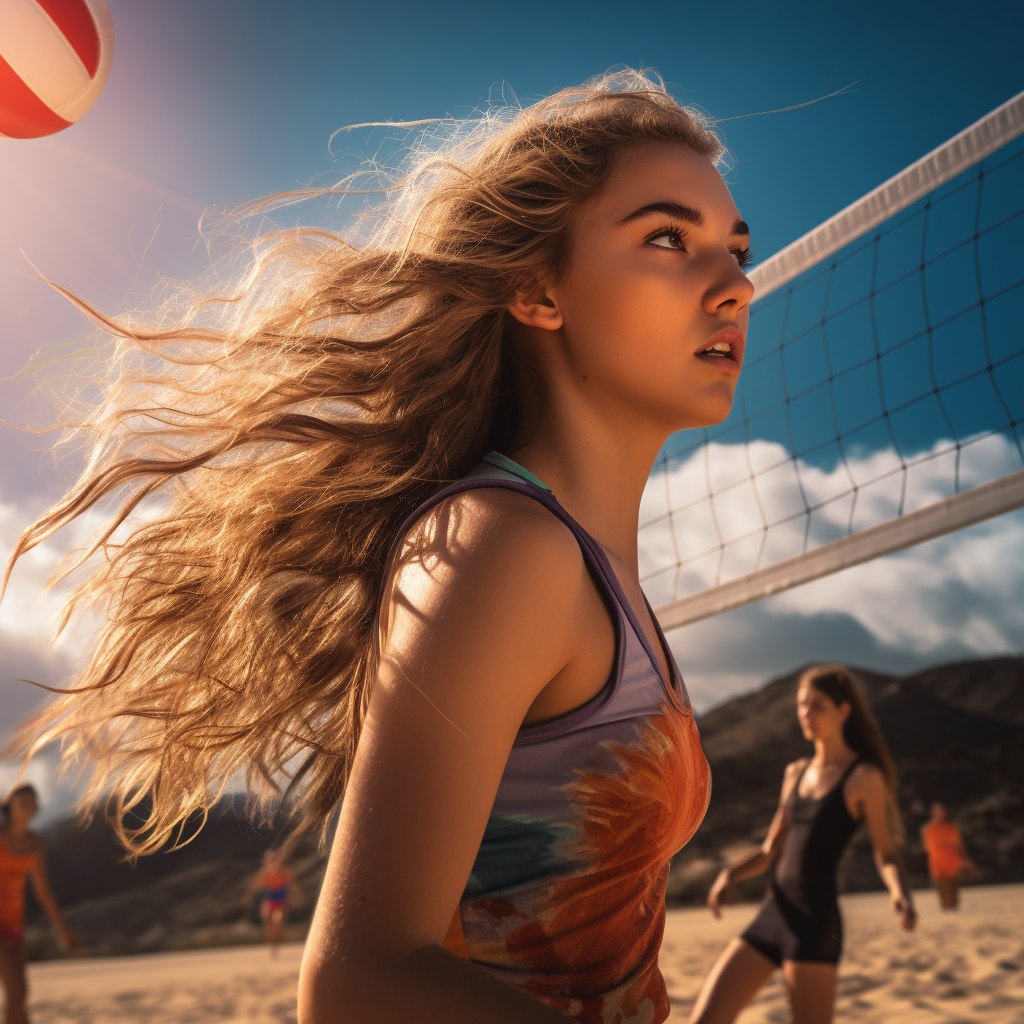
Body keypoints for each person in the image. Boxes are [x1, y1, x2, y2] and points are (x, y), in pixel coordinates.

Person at [5, 69, 755, 1022]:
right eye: (667, 239)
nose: (735, 282)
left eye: (735, 247)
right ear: (537, 289)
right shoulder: (504, 546)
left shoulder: (590, 566)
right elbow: (358, 982)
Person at [689, 666, 916, 1024]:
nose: (806, 714)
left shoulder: (863, 777)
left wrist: (899, 893)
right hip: (772, 915)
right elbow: (770, 849)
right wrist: (729, 875)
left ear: (844, 710)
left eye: (817, 705)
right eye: (801, 705)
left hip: (814, 926)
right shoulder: (795, 771)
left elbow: (886, 852)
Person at [0, 784, 79, 1024]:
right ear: (9, 806)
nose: (27, 804)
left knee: (21, 997)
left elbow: (43, 891)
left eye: (31, 801)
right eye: (20, 800)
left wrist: (65, 932)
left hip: (15, 925)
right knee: (17, 994)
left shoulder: (36, 844)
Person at [921, 801, 980, 910]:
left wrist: (967, 863)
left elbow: (959, 845)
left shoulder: (952, 827)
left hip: (953, 862)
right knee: (944, 894)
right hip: (937, 864)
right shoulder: (928, 829)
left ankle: (955, 919)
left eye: (942, 811)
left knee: (954, 895)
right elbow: (927, 848)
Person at [242, 849, 300, 957]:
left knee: (278, 922)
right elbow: (255, 886)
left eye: (275, 859)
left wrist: (296, 896)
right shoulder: (264, 873)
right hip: (269, 899)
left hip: (280, 900)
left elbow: (293, 885)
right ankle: (272, 945)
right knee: (267, 920)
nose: (273, 862)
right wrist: (248, 896)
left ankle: (277, 940)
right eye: (270, 860)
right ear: (266, 861)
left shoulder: (285, 871)